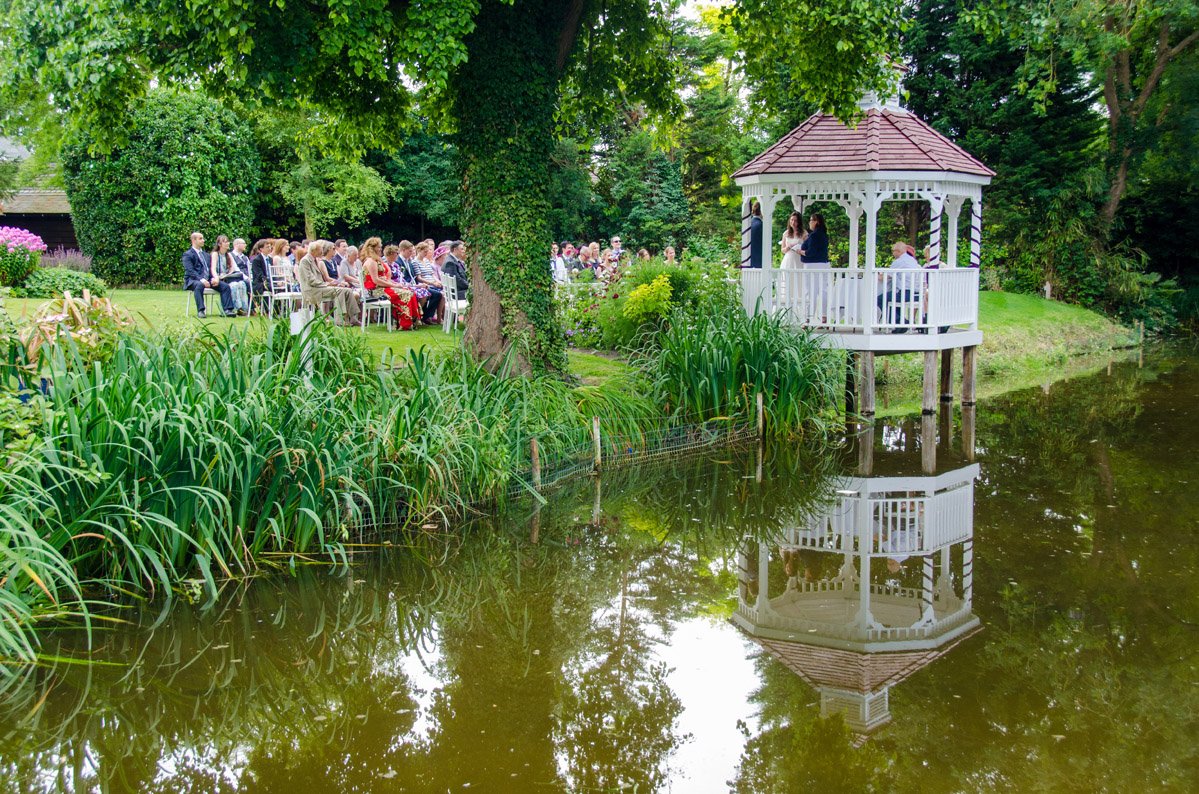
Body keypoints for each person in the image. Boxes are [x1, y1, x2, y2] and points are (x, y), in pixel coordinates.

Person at [296, 240, 360, 326]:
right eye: (320, 249)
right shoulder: (305, 261)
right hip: (311, 290)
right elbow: (311, 280)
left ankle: (353, 318)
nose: (322, 251)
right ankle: (339, 321)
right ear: (313, 250)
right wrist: (327, 284)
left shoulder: (316, 260)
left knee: (347, 290)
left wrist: (331, 283)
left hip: (319, 287)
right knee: (340, 291)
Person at [362, 237, 419, 330]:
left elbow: (384, 278)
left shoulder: (377, 260)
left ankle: (409, 323)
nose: (381, 249)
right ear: (372, 248)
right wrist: (394, 285)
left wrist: (396, 284)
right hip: (376, 291)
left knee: (409, 291)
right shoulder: (371, 261)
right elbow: (376, 280)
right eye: (379, 247)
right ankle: (404, 324)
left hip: (383, 288)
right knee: (406, 294)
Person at [182, 231, 233, 318]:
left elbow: (210, 269)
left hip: (208, 280)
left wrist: (213, 278)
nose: (203, 240)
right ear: (193, 240)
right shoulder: (187, 254)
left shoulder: (206, 255)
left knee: (225, 286)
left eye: (203, 238)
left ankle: (227, 310)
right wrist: (201, 279)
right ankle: (201, 311)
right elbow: (190, 271)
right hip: (193, 280)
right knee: (199, 285)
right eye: (200, 238)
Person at [878, 240, 923, 333]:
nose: (893, 253)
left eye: (893, 251)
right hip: (917, 293)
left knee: (881, 299)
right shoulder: (912, 260)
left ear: (898, 251)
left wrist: (877, 276)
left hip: (906, 293)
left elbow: (884, 277)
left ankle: (901, 322)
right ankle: (899, 325)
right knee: (892, 297)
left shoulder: (899, 261)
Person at [210, 234, 249, 315]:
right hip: (217, 277)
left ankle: (243, 308)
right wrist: (217, 277)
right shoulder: (215, 254)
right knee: (234, 285)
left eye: (228, 241)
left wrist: (228, 274)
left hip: (227, 277)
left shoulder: (229, 254)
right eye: (225, 242)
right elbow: (213, 268)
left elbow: (232, 268)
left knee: (242, 284)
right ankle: (235, 308)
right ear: (219, 244)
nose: (228, 243)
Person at [411, 240, 444, 324]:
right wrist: (432, 283)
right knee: (437, 294)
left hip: (432, 282)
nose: (426, 253)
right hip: (424, 284)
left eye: (427, 251)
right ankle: (427, 316)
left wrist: (438, 282)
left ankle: (434, 316)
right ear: (419, 250)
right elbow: (419, 278)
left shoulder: (426, 261)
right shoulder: (415, 262)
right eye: (424, 252)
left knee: (442, 293)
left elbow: (432, 274)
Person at [248, 239, 271, 314]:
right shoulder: (256, 260)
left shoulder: (270, 259)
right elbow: (259, 275)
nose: (269, 248)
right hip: (259, 283)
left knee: (283, 287)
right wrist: (267, 280)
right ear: (261, 249)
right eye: (267, 247)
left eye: (270, 247)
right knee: (272, 287)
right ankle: (269, 310)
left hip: (269, 281)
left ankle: (280, 309)